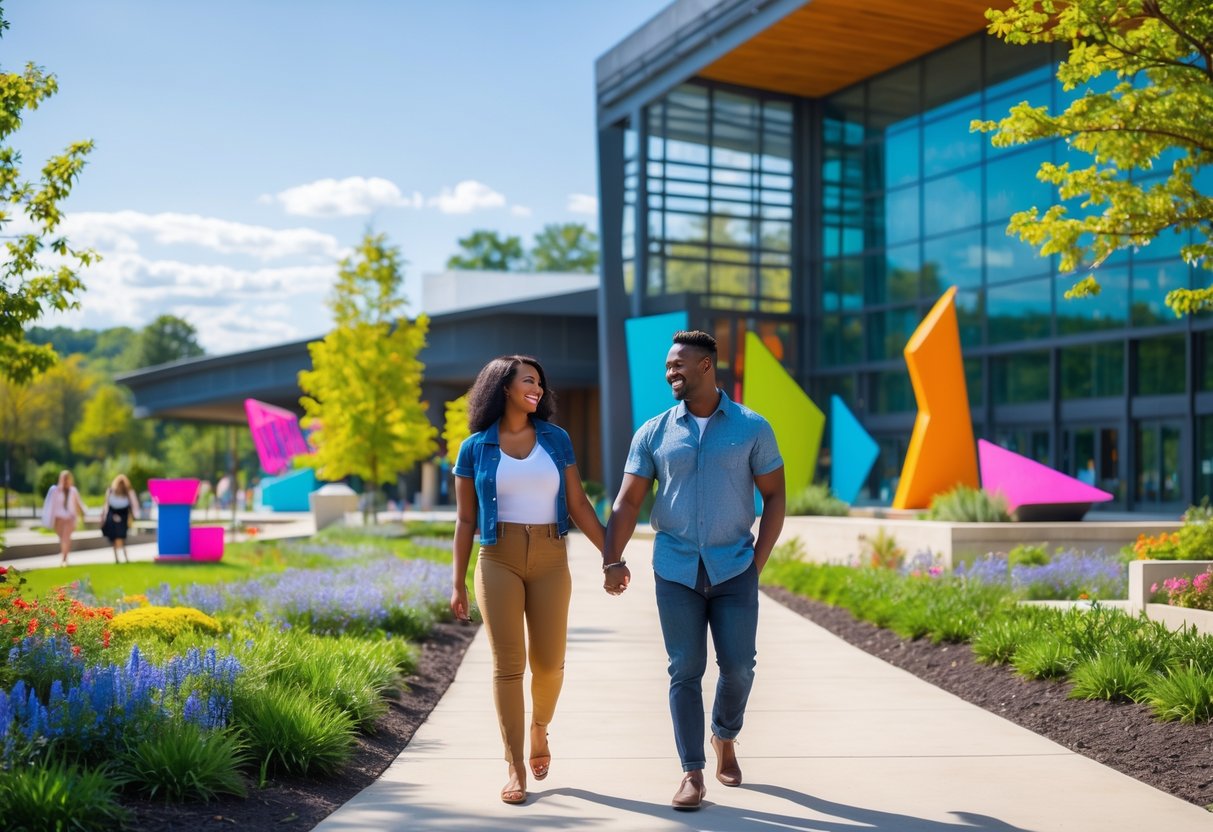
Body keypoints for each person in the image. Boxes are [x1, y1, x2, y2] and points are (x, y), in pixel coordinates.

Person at [603, 330, 785, 811]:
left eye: (678, 365)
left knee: (739, 668)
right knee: (685, 669)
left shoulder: (752, 427)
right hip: (676, 568)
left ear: (707, 366)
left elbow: (775, 496)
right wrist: (611, 557)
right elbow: (628, 501)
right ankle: (691, 772)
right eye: (667, 366)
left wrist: (757, 562)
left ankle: (724, 735)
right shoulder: (655, 432)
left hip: (734, 567)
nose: (670, 373)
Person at [450, 354, 611, 805]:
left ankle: (540, 727)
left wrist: (611, 557)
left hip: (550, 557)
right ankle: (514, 766)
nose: (537, 388)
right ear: (503, 387)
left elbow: (578, 504)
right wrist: (457, 582)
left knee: (549, 663)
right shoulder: (475, 447)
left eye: (540, 382)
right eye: (528, 381)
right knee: (508, 666)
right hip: (497, 558)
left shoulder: (555, 440)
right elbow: (466, 520)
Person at [41, 470, 87, 567]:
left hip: (69, 518)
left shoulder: (73, 490)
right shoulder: (55, 490)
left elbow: (78, 503)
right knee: (62, 538)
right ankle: (64, 554)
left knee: (66, 537)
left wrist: (83, 514)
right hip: (59, 518)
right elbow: (51, 505)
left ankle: (64, 559)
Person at [101, 474, 141, 563]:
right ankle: (117, 557)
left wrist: (133, 517)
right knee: (114, 537)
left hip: (123, 516)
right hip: (112, 515)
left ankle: (125, 556)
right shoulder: (111, 491)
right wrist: (103, 517)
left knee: (122, 537)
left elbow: (134, 505)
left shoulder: (128, 493)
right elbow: (106, 505)